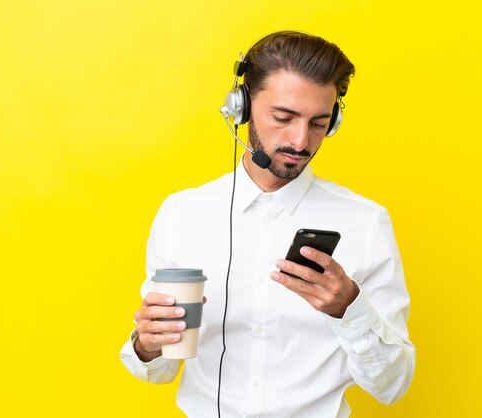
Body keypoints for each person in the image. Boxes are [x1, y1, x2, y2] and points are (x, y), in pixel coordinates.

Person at [120, 31, 415, 417]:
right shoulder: (182, 214)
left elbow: (392, 385)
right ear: (240, 108)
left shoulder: (365, 222)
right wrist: (148, 344)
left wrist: (349, 308)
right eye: (283, 117)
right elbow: (159, 369)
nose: (300, 141)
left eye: (318, 123)